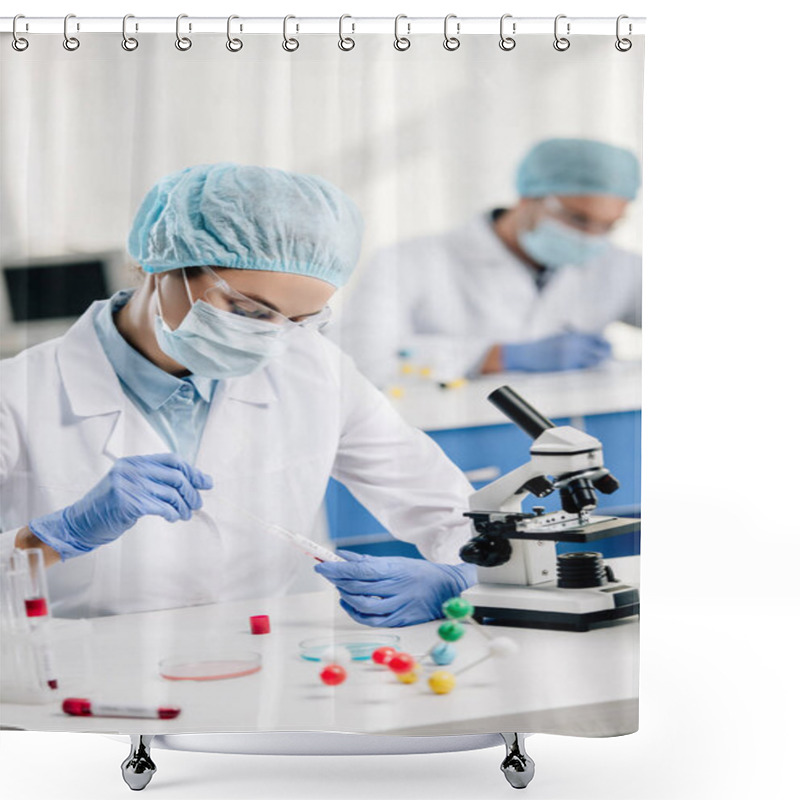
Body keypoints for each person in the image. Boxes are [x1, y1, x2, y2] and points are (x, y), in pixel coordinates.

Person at [0, 163, 477, 627]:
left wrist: (461, 577)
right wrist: (54, 537)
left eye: (298, 321)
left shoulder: (315, 371)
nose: (272, 338)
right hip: (78, 682)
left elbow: (450, 510)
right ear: (160, 260)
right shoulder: (18, 395)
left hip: (271, 673)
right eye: (248, 310)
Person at [333, 138, 642, 387]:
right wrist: (494, 356)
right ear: (528, 197)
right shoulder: (408, 262)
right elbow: (361, 359)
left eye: (607, 225)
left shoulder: (618, 266)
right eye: (577, 218)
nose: (591, 237)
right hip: (450, 438)